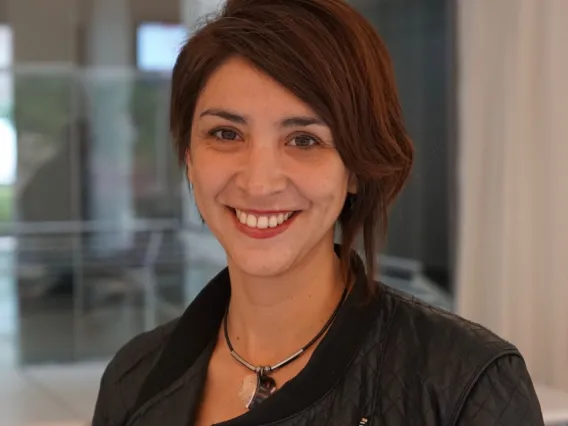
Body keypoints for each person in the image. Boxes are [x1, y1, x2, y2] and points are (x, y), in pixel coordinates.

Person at [92, 0, 544, 425]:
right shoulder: (134, 378)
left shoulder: (465, 384)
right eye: (226, 134)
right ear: (189, 157)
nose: (259, 182)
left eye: (304, 140)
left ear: (356, 169)